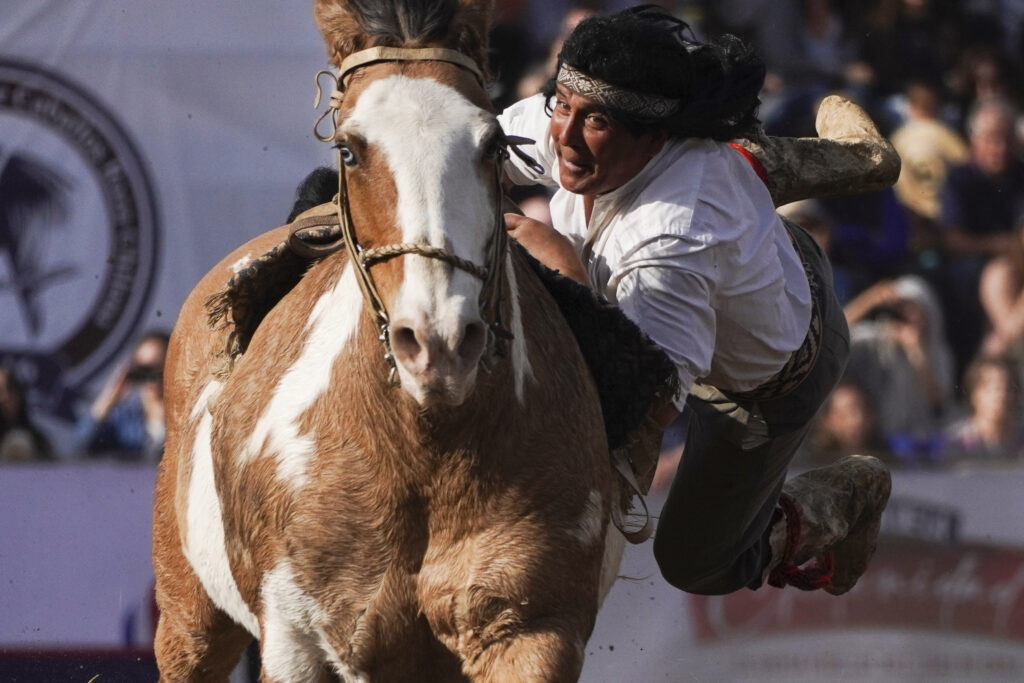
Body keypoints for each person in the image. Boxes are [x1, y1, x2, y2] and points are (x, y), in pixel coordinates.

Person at [497, 5, 891, 596]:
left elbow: (646, 402)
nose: (565, 136)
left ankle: (848, 495)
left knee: (697, 563)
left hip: (767, 381)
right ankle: (868, 158)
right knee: (737, 161)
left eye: (595, 120)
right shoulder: (572, 125)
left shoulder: (673, 237)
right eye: (562, 105)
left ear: (654, 137)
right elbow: (456, 148)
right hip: (747, 246)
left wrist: (563, 266)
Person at [938, 97, 1024, 373]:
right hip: (982, 261)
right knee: (992, 275)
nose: (999, 148)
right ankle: (1002, 349)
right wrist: (998, 244)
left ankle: (996, 351)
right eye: (991, 139)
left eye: (1006, 138)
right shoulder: (959, 180)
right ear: (974, 141)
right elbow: (953, 240)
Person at [842, 274, 954, 461]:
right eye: (902, 308)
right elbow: (838, 334)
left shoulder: (939, 353)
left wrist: (916, 353)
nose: (908, 315)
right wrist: (870, 299)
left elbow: (939, 403)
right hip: (882, 441)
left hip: (924, 443)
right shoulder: (877, 340)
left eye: (914, 308)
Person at [73, 330, 169, 462]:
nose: (152, 375)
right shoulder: (125, 420)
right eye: (145, 368)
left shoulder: (188, 417)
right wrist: (110, 397)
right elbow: (79, 447)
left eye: (160, 366)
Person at [940, 354, 1024, 467]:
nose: (1001, 396)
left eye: (1008, 389)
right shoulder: (954, 442)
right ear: (975, 394)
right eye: (993, 389)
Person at [0, 365, 53, 462]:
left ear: (16, 394)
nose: (3, 399)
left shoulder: (36, 438)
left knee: (19, 442)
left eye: (3, 391)